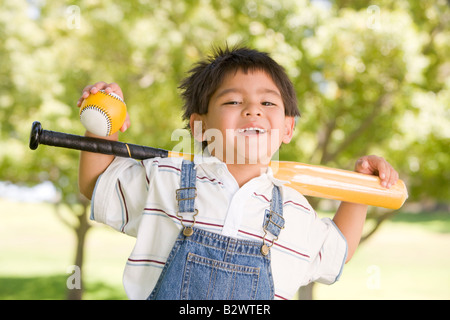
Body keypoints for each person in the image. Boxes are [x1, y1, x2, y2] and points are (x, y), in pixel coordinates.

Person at [77, 46, 398, 300]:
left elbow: (336, 252)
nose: (253, 109)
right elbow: (98, 183)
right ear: (199, 125)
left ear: (288, 128)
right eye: (233, 100)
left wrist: (360, 189)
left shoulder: (295, 210)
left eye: (268, 103)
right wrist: (103, 128)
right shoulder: (166, 178)